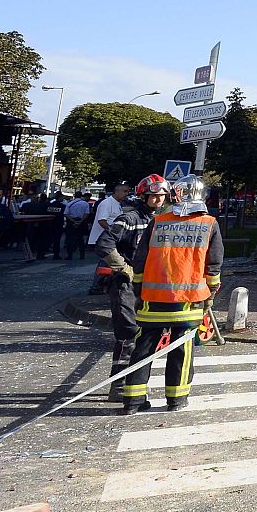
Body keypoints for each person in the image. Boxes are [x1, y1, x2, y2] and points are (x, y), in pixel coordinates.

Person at [120, 175, 223, 414]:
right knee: (182, 349)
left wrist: (138, 289)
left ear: (174, 195)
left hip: (152, 298)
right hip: (188, 300)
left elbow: (140, 260)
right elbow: (214, 264)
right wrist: (212, 292)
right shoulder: (208, 223)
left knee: (143, 347)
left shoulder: (158, 221)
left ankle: (133, 401)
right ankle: (176, 399)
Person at [95, 175, 166, 398]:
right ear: (144, 196)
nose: (158, 200)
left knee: (146, 334)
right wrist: (125, 269)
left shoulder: (163, 220)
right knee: (128, 333)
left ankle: (135, 383)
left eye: (162, 196)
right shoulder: (128, 218)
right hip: (125, 284)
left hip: (150, 285)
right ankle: (117, 384)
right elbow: (104, 245)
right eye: (154, 196)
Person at [88, 182, 132, 293]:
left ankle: (103, 286)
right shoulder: (107, 203)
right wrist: (112, 234)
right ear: (117, 191)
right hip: (104, 240)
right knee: (105, 262)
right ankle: (96, 287)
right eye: (125, 191)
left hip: (109, 240)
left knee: (108, 263)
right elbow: (102, 221)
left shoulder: (117, 203)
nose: (127, 194)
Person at [63, 193, 93, 260]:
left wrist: (73, 221)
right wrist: (80, 221)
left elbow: (66, 214)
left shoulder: (69, 204)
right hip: (81, 222)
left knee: (70, 239)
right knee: (80, 239)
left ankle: (69, 255)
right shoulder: (85, 204)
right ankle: (82, 255)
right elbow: (87, 213)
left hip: (71, 222)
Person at [40, 189, 67, 259]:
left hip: (49, 224)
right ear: (60, 197)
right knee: (57, 240)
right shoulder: (62, 206)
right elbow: (64, 215)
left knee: (47, 239)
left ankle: (41, 253)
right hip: (58, 225)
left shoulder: (49, 205)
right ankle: (56, 254)